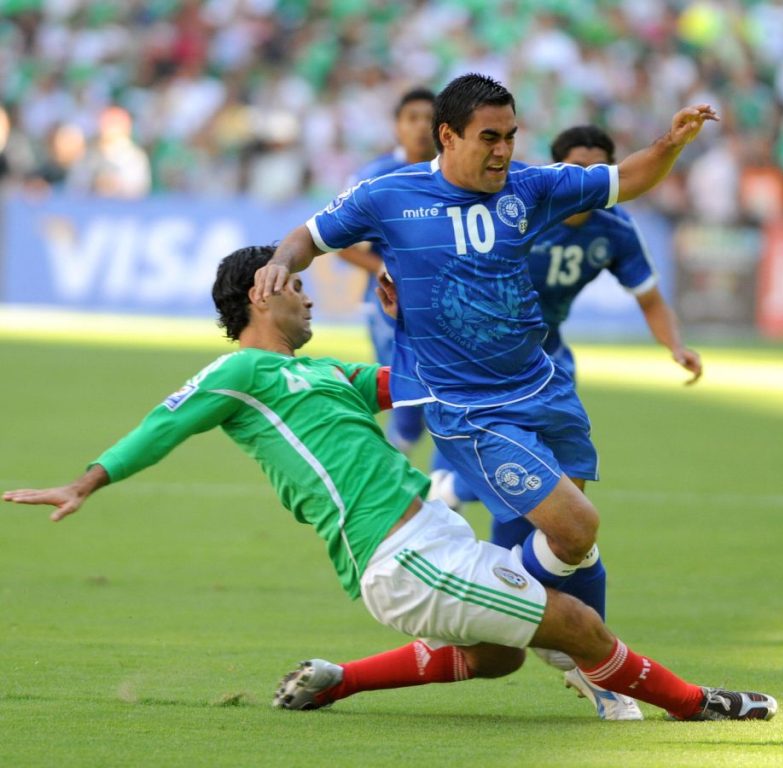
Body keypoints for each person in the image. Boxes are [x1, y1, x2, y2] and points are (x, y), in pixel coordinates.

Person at [2, 245, 777, 723]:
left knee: (500, 657)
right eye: (297, 285)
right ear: (261, 294)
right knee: (575, 624)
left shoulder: (319, 372)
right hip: (400, 557)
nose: (309, 295)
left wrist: (414, 320)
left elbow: (418, 385)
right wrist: (87, 480)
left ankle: (339, 683)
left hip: (431, 538)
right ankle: (695, 704)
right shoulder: (242, 372)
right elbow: (162, 424)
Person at [254, 73, 718, 718]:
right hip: (470, 407)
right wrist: (284, 261)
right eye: (489, 138)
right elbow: (310, 234)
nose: (503, 150)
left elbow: (630, 178)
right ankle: (583, 654)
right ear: (449, 137)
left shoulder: (531, 186)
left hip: (547, 386)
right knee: (573, 527)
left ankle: (524, 619)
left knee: (567, 550)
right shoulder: (391, 195)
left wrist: (670, 141)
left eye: (510, 136)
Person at [431, 125, 704, 543]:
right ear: (558, 169)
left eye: (597, 170)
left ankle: (498, 549)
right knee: (501, 452)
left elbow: (650, 299)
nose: (585, 180)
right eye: (576, 168)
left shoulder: (615, 228)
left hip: (548, 353)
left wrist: (676, 346)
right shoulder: (520, 205)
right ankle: (448, 489)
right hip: (483, 352)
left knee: (550, 472)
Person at [334, 87, 436, 454]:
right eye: (413, 118)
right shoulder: (374, 176)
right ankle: (394, 469)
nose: (422, 127)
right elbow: (341, 243)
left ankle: (433, 479)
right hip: (389, 306)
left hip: (445, 304)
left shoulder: (458, 176)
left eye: (430, 118)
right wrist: (381, 266)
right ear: (397, 127)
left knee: (442, 396)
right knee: (407, 397)